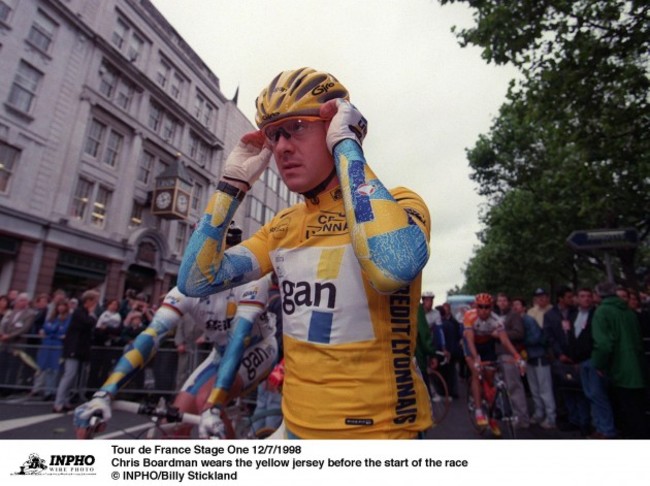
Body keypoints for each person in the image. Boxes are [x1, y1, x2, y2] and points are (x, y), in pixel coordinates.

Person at [177, 67, 431, 439]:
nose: (281, 147)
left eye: (296, 127)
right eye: (274, 134)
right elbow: (196, 280)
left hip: (378, 435)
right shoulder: (281, 226)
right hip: (294, 427)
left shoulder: (400, 204)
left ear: (332, 128)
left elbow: (391, 269)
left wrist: (347, 144)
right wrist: (231, 185)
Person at [74, 227, 279, 439]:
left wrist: (214, 406)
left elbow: (239, 339)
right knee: (172, 424)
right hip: (221, 353)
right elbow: (150, 336)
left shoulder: (252, 281)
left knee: (205, 400)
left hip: (257, 346)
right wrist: (104, 393)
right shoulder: (185, 288)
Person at [591, 281, 648, 439]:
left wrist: (599, 364)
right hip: (637, 367)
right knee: (638, 414)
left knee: (625, 416)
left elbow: (603, 344)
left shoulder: (602, 312)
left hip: (619, 369)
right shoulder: (628, 312)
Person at [463, 293, 525, 432]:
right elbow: (470, 341)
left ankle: (491, 416)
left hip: (487, 344)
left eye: (487, 307)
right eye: (480, 307)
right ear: (476, 307)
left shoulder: (496, 320)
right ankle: (478, 410)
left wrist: (517, 356)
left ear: (491, 308)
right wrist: (476, 358)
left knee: (490, 381)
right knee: (476, 371)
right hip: (472, 344)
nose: (483, 310)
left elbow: (505, 341)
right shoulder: (470, 316)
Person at [512, 297, 557, 429]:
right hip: (529, 358)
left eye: (518, 304)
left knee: (544, 388)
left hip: (539, 356)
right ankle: (539, 413)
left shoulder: (528, 320)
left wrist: (521, 343)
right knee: (535, 389)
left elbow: (537, 337)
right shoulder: (519, 321)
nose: (515, 307)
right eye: (513, 305)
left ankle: (551, 416)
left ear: (524, 307)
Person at [53, 290, 99, 412]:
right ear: (88, 301)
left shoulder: (83, 312)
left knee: (73, 377)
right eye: (94, 301)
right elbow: (89, 322)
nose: (96, 304)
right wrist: (92, 313)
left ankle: (66, 400)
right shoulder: (79, 312)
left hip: (80, 348)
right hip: (74, 348)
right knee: (69, 375)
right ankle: (58, 402)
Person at [494, 292, 530, 429]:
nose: (502, 303)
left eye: (504, 300)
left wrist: (500, 334)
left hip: (510, 354)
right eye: (499, 300)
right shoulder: (497, 316)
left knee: (515, 386)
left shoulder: (513, 316)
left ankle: (522, 417)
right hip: (499, 354)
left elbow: (519, 333)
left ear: (508, 302)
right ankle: (513, 414)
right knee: (505, 387)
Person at [32, 299, 72, 400]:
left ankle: (51, 391)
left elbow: (62, 330)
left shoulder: (68, 318)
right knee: (44, 368)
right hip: (47, 345)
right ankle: (43, 390)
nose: (61, 308)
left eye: (63, 306)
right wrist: (51, 332)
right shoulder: (52, 318)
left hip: (58, 346)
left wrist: (53, 333)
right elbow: (47, 328)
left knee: (55, 369)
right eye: (59, 306)